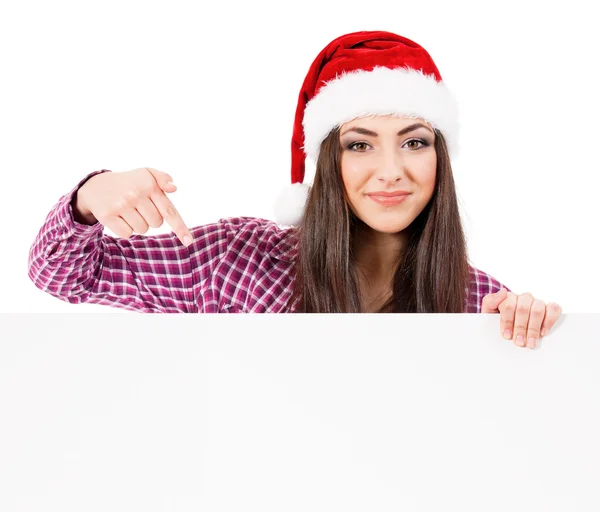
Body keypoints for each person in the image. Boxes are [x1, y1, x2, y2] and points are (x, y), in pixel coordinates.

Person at [28, 30, 562, 348]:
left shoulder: (477, 301)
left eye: (415, 142)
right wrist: (89, 198)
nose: (392, 170)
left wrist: (532, 334)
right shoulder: (236, 260)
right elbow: (67, 276)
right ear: (325, 162)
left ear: (440, 158)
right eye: (359, 145)